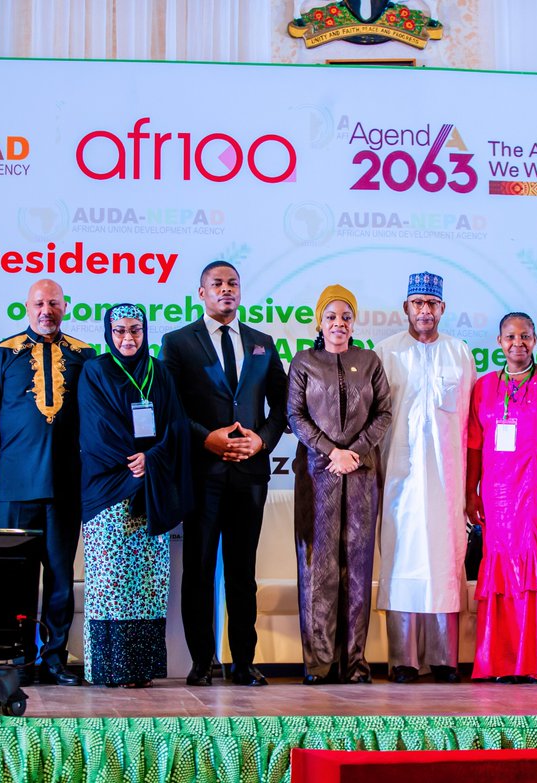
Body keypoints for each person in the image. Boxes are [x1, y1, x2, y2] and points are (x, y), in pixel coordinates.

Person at [160, 261, 288, 687]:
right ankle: (201, 662)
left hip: (249, 476)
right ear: (201, 293)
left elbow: (283, 406)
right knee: (196, 571)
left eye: (232, 283)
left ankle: (244, 662)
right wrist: (206, 438)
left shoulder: (262, 343)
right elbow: (170, 408)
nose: (226, 290)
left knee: (241, 572)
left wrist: (262, 441)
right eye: (217, 284)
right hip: (201, 473)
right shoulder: (177, 343)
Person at [0, 279, 92, 687]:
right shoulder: (2, 355)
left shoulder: (84, 356)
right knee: (15, 579)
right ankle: (17, 657)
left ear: (66, 306)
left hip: (65, 486)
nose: (47, 310)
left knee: (61, 578)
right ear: (27, 307)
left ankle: (54, 658)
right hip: (15, 486)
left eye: (54, 303)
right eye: (39, 303)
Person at [78, 304, 192, 688]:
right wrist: (133, 461)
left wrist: (152, 458)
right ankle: (111, 669)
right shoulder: (96, 370)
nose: (128, 338)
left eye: (136, 330)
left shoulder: (158, 371)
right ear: (109, 333)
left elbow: (175, 424)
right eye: (121, 330)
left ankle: (140, 670)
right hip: (108, 492)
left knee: (147, 585)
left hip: (151, 489)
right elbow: (97, 429)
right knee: (111, 583)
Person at [465, 312, 537, 682]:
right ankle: (503, 662)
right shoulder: (484, 387)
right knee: (504, 573)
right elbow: (473, 445)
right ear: (499, 342)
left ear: (536, 340)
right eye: (511, 337)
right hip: (499, 498)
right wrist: (471, 492)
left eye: (526, 336)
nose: (519, 343)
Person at [287, 284, 392, 684]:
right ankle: (319, 664)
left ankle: (355, 664)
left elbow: (383, 411)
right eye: (331, 316)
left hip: (362, 476)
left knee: (359, 567)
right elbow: (295, 416)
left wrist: (357, 451)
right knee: (317, 568)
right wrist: (332, 451)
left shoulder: (369, 361)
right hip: (317, 474)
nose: (339, 323)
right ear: (319, 320)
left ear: (354, 321)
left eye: (345, 316)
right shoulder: (304, 362)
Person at [376, 271, 475, 684]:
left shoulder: (460, 353)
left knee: (443, 562)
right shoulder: (385, 353)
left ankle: (445, 659)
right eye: (417, 303)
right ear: (406, 308)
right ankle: (403, 660)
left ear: (442, 309)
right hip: (399, 479)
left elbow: (471, 424)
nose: (424, 311)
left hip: (447, 482)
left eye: (432, 304)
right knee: (402, 560)